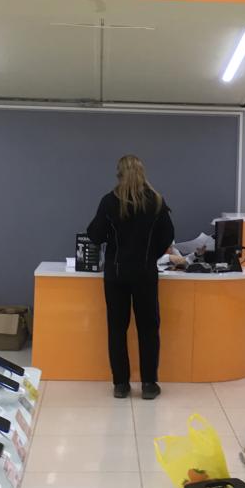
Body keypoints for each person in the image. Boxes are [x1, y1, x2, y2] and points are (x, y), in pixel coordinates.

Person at [87, 155, 174, 399]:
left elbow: (95, 235)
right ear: (143, 173)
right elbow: (167, 235)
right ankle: (149, 384)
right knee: (149, 328)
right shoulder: (156, 201)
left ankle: (121, 385)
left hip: (116, 275)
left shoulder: (109, 201)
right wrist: (152, 255)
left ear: (119, 175)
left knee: (117, 329)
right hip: (145, 274)